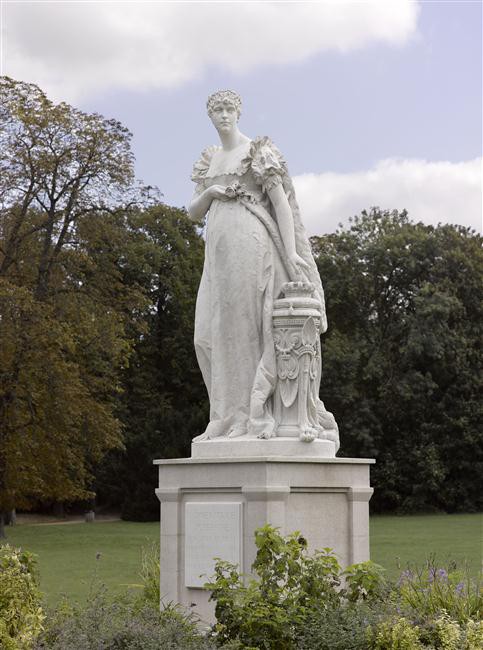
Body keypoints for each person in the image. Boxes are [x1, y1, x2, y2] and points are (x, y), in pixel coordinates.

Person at [189, 90, 338, 447]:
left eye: (228, 109)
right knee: (209, 334)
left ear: (238, 112)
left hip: (252, 245)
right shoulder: (210, 159)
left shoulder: (257, 151)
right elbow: (194, 211)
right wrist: (212, 194)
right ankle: (224, 415)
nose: (223, 115)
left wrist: (292, 252)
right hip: (218, 256)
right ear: (210, 116)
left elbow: (281, 204)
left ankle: (253, 412)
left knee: (248, 330)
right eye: (217, 110)